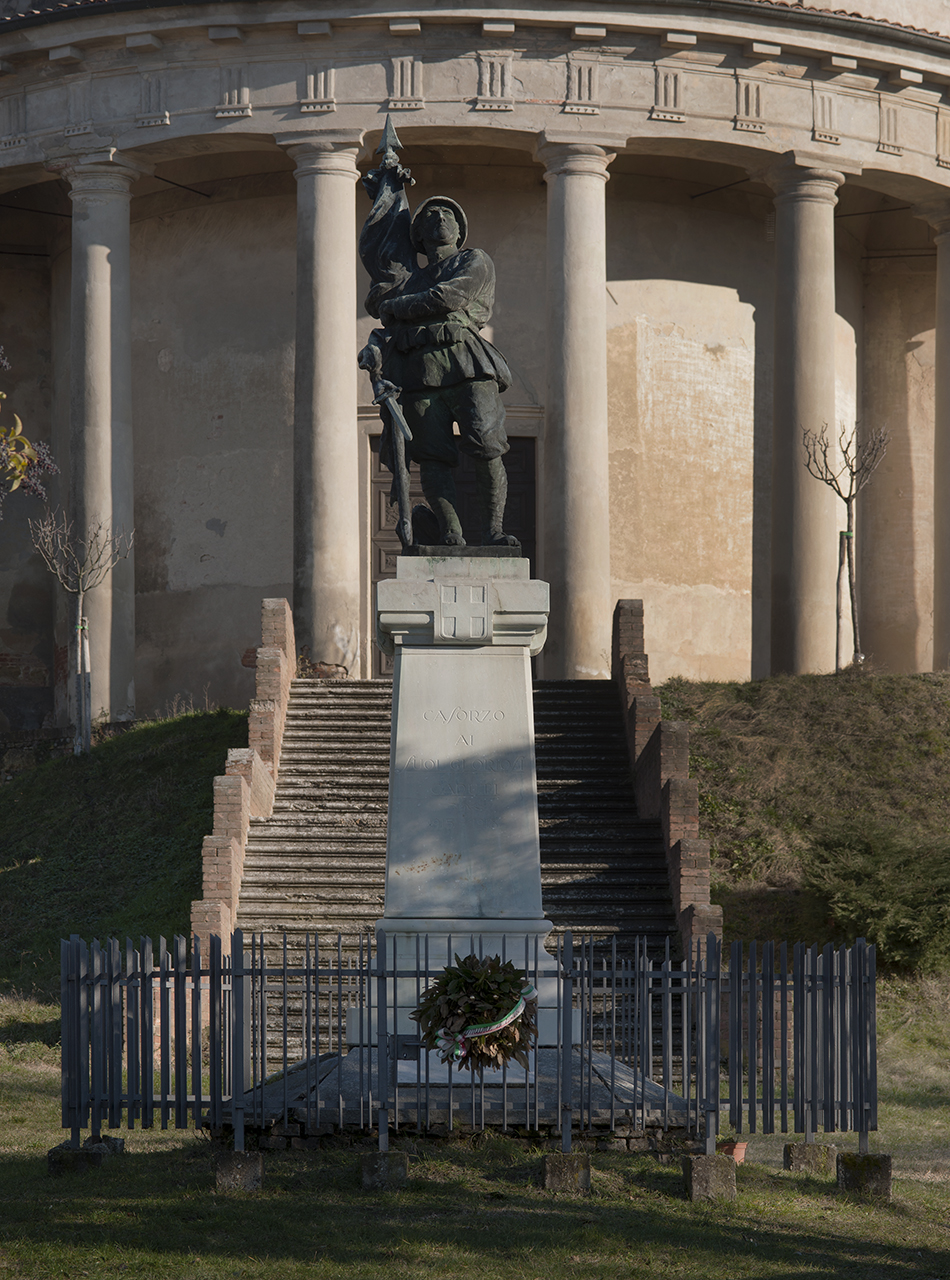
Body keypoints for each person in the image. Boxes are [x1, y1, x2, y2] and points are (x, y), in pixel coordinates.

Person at [359, 173, 519, 549]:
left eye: (448, 215)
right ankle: (450, 532)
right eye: (430, 216)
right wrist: (373, 347)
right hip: (419, 372)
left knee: (486, 442)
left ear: (460, 231)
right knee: (431, 457)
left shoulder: (474, 261)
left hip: (467, 364)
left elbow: (448, 297)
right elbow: (386, 330)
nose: (440, 220)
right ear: (417, 236)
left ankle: (494, 530)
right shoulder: (408, 279)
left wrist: (397, 306)